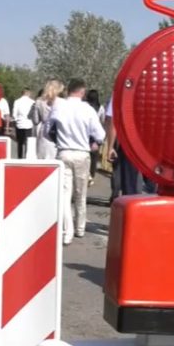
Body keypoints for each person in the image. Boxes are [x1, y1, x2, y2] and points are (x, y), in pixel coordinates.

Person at [49, 79, 106, 245]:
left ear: (68, 90)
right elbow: (100, 135)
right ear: (82, 91)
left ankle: (68, 232)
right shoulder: (87, 109)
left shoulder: (59, 106)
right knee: (81, 194)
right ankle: (80, 227)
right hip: (82, 153)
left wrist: (58, 140)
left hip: (64, 152)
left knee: (65, 195)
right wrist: (94, 143)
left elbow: (48, 130)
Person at [32, 80, 64, 160]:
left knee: (42, 160)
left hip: (43, 132)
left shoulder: (39, 101)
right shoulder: (62, 102)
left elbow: (35, 121)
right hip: (58, 132)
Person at [85, 89, 103, 185]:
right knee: (93, 157)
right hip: (95, 135)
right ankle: (91, 175)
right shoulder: (100, 108)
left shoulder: (85, 107)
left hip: (86, 134)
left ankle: (87, 175)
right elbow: (102, 121)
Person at [12, 88, 35, 158]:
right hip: (29, 124)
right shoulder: (32, 102)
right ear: (29, 93)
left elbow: (14, 114)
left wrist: (15, 121)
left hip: (20, 124)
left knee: (20, 143)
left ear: (22, 93)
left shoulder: (17, 101)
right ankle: (27, 157)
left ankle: (19, 157)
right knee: (28, 142)